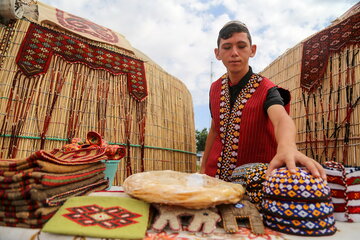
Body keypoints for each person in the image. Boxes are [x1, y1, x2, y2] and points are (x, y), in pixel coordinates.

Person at [200, 20, 326, 181]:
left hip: (254, 184)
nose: (234, 53)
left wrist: (287, 146)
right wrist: (203, 167)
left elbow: (281, 119)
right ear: (218, 53)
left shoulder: (267, 89)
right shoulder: (215, 88)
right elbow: (214, 129)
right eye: (227, 47)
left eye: (241, 46)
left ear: (252, 50)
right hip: (214, 179)